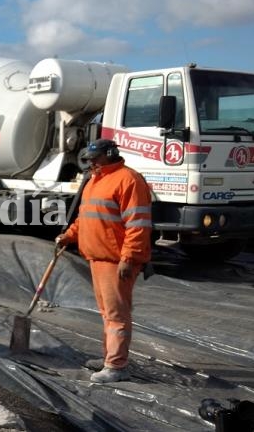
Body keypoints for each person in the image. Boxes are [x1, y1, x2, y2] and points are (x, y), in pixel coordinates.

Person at [55, 139, 152, 383]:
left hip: (116, 260)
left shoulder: (128, 180)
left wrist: (129, 258)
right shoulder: (94, 182)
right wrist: (68, 236)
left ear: (110, 155)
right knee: (107, 313)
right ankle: (109, 356)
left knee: (117, 314)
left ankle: (116, 366)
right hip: (97, 258)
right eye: (89, 160)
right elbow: (86, 218)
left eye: (95, 159)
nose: (92, 164)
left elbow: (138, 225)